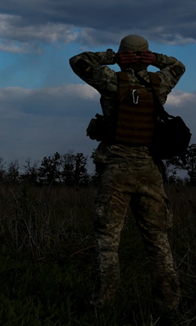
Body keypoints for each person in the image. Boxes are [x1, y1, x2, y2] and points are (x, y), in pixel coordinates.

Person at [69, 35, 185, 310]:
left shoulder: (111, 81)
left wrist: (111, 57)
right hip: (149, 171)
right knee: (158, 240)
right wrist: (157, 60)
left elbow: (78, 61)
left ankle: (102, 304)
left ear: (124, 56)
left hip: (116, 170)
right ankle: (168, 306)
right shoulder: (160, 83)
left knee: (107, 241)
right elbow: (179, 66)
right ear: (146, 55)